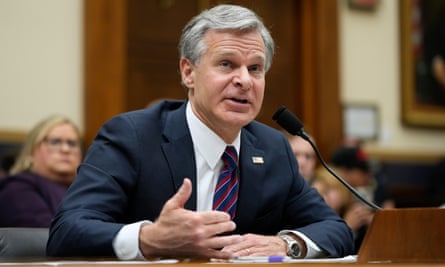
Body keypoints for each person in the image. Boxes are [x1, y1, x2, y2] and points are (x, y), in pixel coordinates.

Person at [47, 4, 353, 260]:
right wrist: (150, 238)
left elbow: (335, 229)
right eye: (226, 64)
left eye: (255, 68)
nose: (244, 80)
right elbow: (67, 231)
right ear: (188, 72)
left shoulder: (272, 147)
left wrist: (287, 244)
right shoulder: (133, 136)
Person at [0, 114, 82, 227]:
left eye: (72, 143)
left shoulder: (89, 190)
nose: (65, 149)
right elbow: (45, 238)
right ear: (31, 151)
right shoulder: (16, 189)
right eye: (55, 142)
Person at [330, 145, 394, 254]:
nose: (368, 176)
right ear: (343, 171)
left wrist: (378, 224)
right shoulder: (331, 197)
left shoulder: (372, 190)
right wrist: (347, 227)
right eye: (362, 171)